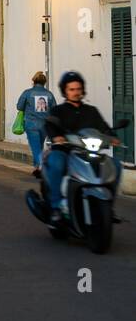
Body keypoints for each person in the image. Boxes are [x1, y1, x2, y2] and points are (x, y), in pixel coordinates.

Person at [42, 71, 115, 220]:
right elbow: (49, 124)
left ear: (83, 90)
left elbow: (104, 128)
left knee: (115, 166)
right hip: (64, 151)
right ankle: (55, 206)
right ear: (65, 91)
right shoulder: (58, 110)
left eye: (78, 89)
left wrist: (112, 137)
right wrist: (56, 136)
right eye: (72, 89)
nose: (76, 92)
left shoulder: (91, 111)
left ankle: (108, 206)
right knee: (57, 163)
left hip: (87, 152)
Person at [15, 71, 56, 176]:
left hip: (31, 124)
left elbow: (19, 107)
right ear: (44, 82)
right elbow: (54, 109)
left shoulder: (27, 93)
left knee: (35, 147)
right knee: (39, 146)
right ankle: (38, 167)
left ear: (33, 81)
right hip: (44, 125)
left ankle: (41, 166)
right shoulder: (49, 94)